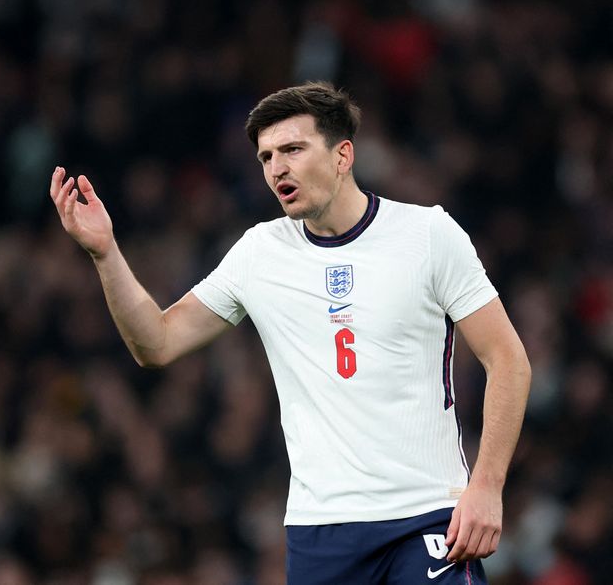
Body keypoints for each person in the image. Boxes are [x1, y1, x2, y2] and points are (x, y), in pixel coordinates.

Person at [49, 82, 531, 584]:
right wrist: (105, 254)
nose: (276, 168)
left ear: (343, 154)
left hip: (428, 516)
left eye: (293, 150)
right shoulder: (260, 253)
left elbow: (508, 360)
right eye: (266, 157)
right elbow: (157, 344)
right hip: (320, 530)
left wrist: (487, 486)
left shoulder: (428, 235)